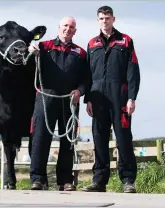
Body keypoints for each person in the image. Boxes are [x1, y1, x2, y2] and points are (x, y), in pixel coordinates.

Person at [82, 6, 140, 193]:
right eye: (101, 18)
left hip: (120, 98)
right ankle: (99, 181)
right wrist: (88, 99)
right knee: (99, 138)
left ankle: (128, 180)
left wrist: (132, 97)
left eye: (107, 18)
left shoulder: (125, 41)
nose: (104, 21)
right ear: (97, 20)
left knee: (123, 138)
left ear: (113, 19)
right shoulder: (92, 44)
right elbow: (87, 75)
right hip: (98, 97)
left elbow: (133, 72)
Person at [28, 17, 91, 191]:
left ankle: (65, 180)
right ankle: (38, 179)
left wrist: (80, 91)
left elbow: (86, 79)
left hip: (69, 100)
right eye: (65, 26)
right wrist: (31, 48)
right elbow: (27, 60)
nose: (68, 29)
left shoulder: (80, 53)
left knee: (68, 141)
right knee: (40, 138)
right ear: (58, 28)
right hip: (45, 97)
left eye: (71, 27)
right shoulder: (43, 46)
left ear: (75, 31)